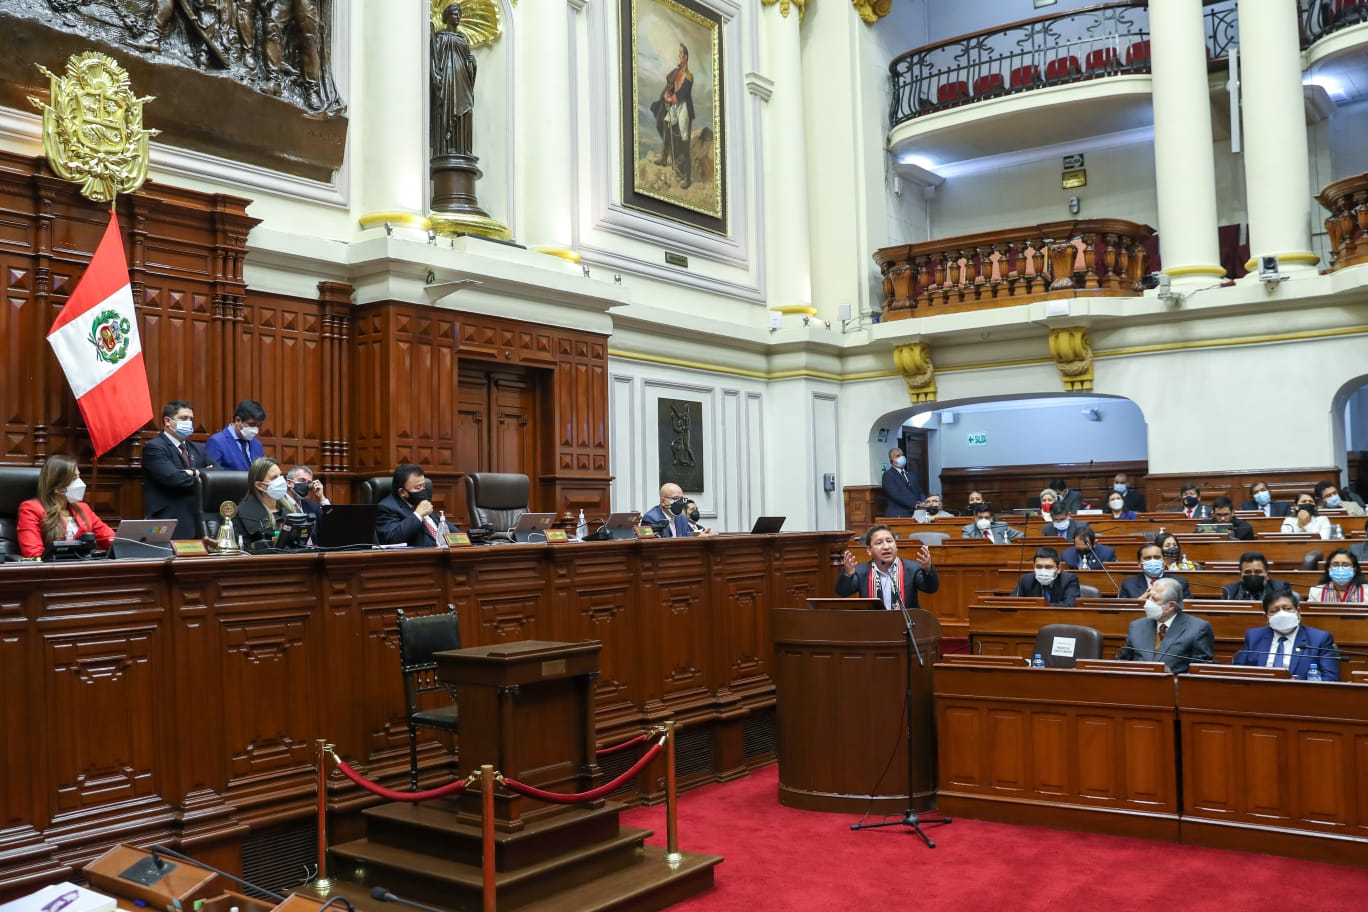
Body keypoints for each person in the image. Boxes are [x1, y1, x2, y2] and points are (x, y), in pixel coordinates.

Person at [16, 455, 115, 559]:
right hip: (52, 572)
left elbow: (111, 540)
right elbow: (34, 554)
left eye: (79, 476)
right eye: (74, 478)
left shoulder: (83, 508)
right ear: (57, 488)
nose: (80, 483)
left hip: (85, 569)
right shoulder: (30, 509)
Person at [143, 399, 215, 539]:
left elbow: (218, 474)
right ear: (167, 421)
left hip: (198, 520)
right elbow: (174, 479)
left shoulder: (197, 448)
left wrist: (194, 472)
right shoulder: (155, 448)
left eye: (191, 419)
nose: (189, 423)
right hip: (170, 522)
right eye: (183, 418)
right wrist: (204, 473)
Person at [1233, 590, 1339, 680]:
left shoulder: (1319, 639)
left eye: (1287, 609)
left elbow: (1330, 679)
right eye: (1274, 611)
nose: (1282, 614)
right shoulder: (1254, 636)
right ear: (1266, 617)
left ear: (1298, 612)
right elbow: (1237, 673)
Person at [1120, 577, 1213, 673]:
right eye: (1149, 597)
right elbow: (1124, 663)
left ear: (1171, 606)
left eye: (1155, 599)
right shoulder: (1136, 626)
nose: (1148, 603)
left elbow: (1200, 671)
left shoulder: (1198, 628)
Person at [836, 524, 938, 610]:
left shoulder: (912, 569)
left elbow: (931, 588)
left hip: (905, 628)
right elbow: (843, 592)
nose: (886, 547)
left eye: (889, 541)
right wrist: (848, 574)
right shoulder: (861, 571)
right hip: (873, 627)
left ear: (896, 546)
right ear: (869, 550)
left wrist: (928, 569)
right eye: (879, 543)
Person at [431, 2, 477, 157]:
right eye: (454, 13)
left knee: (467, 111)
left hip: (463, 82)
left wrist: (472, 64)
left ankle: (463, 150)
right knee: (446, 112)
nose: (458, 16)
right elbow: (433, 59)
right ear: (446, 16)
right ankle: (446, 149)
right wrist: (435, 75)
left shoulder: (463, 39)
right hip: (448, 83)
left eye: (459, 13)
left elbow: (468, 62)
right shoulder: (439, 37)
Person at [650, 43, 696, 189]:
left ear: (686, 57)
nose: (679, 55)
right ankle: (665, 158)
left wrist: (670, 98)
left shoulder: (689, 76)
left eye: (681, 53)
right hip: (675, 107)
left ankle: (686, 177)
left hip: (684, 109)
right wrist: (666, 94)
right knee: (665, 125)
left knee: (683, 142)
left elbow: (681, 95)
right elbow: (671, 87)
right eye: (679, 53)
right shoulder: (677, 72)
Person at [376, 463, 442, 547]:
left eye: (424, 486)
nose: (423, 491)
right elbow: (393, 539)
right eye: (418, 488)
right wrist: (418, 515)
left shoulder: (421, 503)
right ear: (402, 492)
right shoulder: (386, 508)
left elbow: (447, 529)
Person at [235, 457, 289, 544]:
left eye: (280, 475)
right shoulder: (242, 514)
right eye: (274, 477)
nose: (281, 481)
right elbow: (243, 550)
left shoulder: (289, 507)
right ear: (260, 485)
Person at [205, 399, 267, 471]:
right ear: (238, 420)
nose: (255, 429)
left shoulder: (257, 444)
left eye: (258, 426)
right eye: (252, 424)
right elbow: (212, 475)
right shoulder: (217, 442)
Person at [1118, 541, 1192, 600]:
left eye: (1157, 557)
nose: (1153, 561)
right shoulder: (1128, 584)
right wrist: (1139, 603)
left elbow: (1186, 611)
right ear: (1139, 564)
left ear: (1164, 561)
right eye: (1147, 558)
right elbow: (1123, 612)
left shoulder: (1180, 583)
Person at [1011, 547, 1080, 605]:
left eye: (1048, 567)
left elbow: (1069, 605)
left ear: (1058, 568)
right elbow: (1011, 602)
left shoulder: (1069, 580)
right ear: (1033, 567)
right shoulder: (1026, 580)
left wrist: (1040, 606)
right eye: (1039, 566)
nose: (1043, 571)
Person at [1221, 551, 1291, 601]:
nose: (1253, 575)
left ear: (1266, 574)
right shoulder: (1229, 591)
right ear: (1240, 575)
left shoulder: (1280, 589)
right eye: (1247, 572)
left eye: (1258, 572)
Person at [880, 447, 922, 518]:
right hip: (898, 514)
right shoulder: (888, 475)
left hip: (916, 513)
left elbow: (919, 491)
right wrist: (914, 504)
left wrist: (923, 503)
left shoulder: (911, 474)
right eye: (898, 456)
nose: (902, 457)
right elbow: (896, 495)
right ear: (891, 461)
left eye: (902, 455)